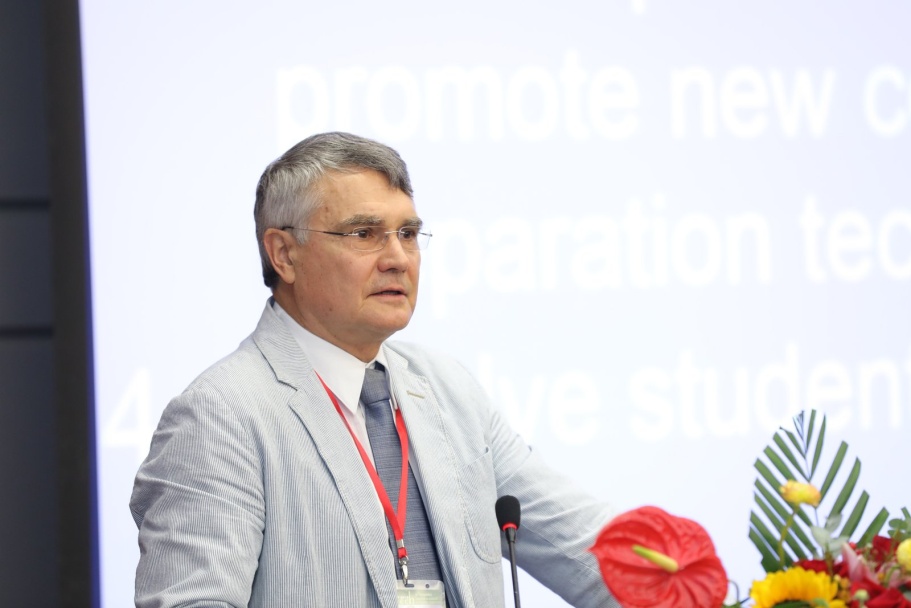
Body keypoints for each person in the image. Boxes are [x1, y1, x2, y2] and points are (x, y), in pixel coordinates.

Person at [130, 132, 618, 608]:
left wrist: (667, 571)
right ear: (284, 254)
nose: (398, 259)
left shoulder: (449, 390)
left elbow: (596, 556)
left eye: (408, 234)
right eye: (364, 234)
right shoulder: (220, 417)